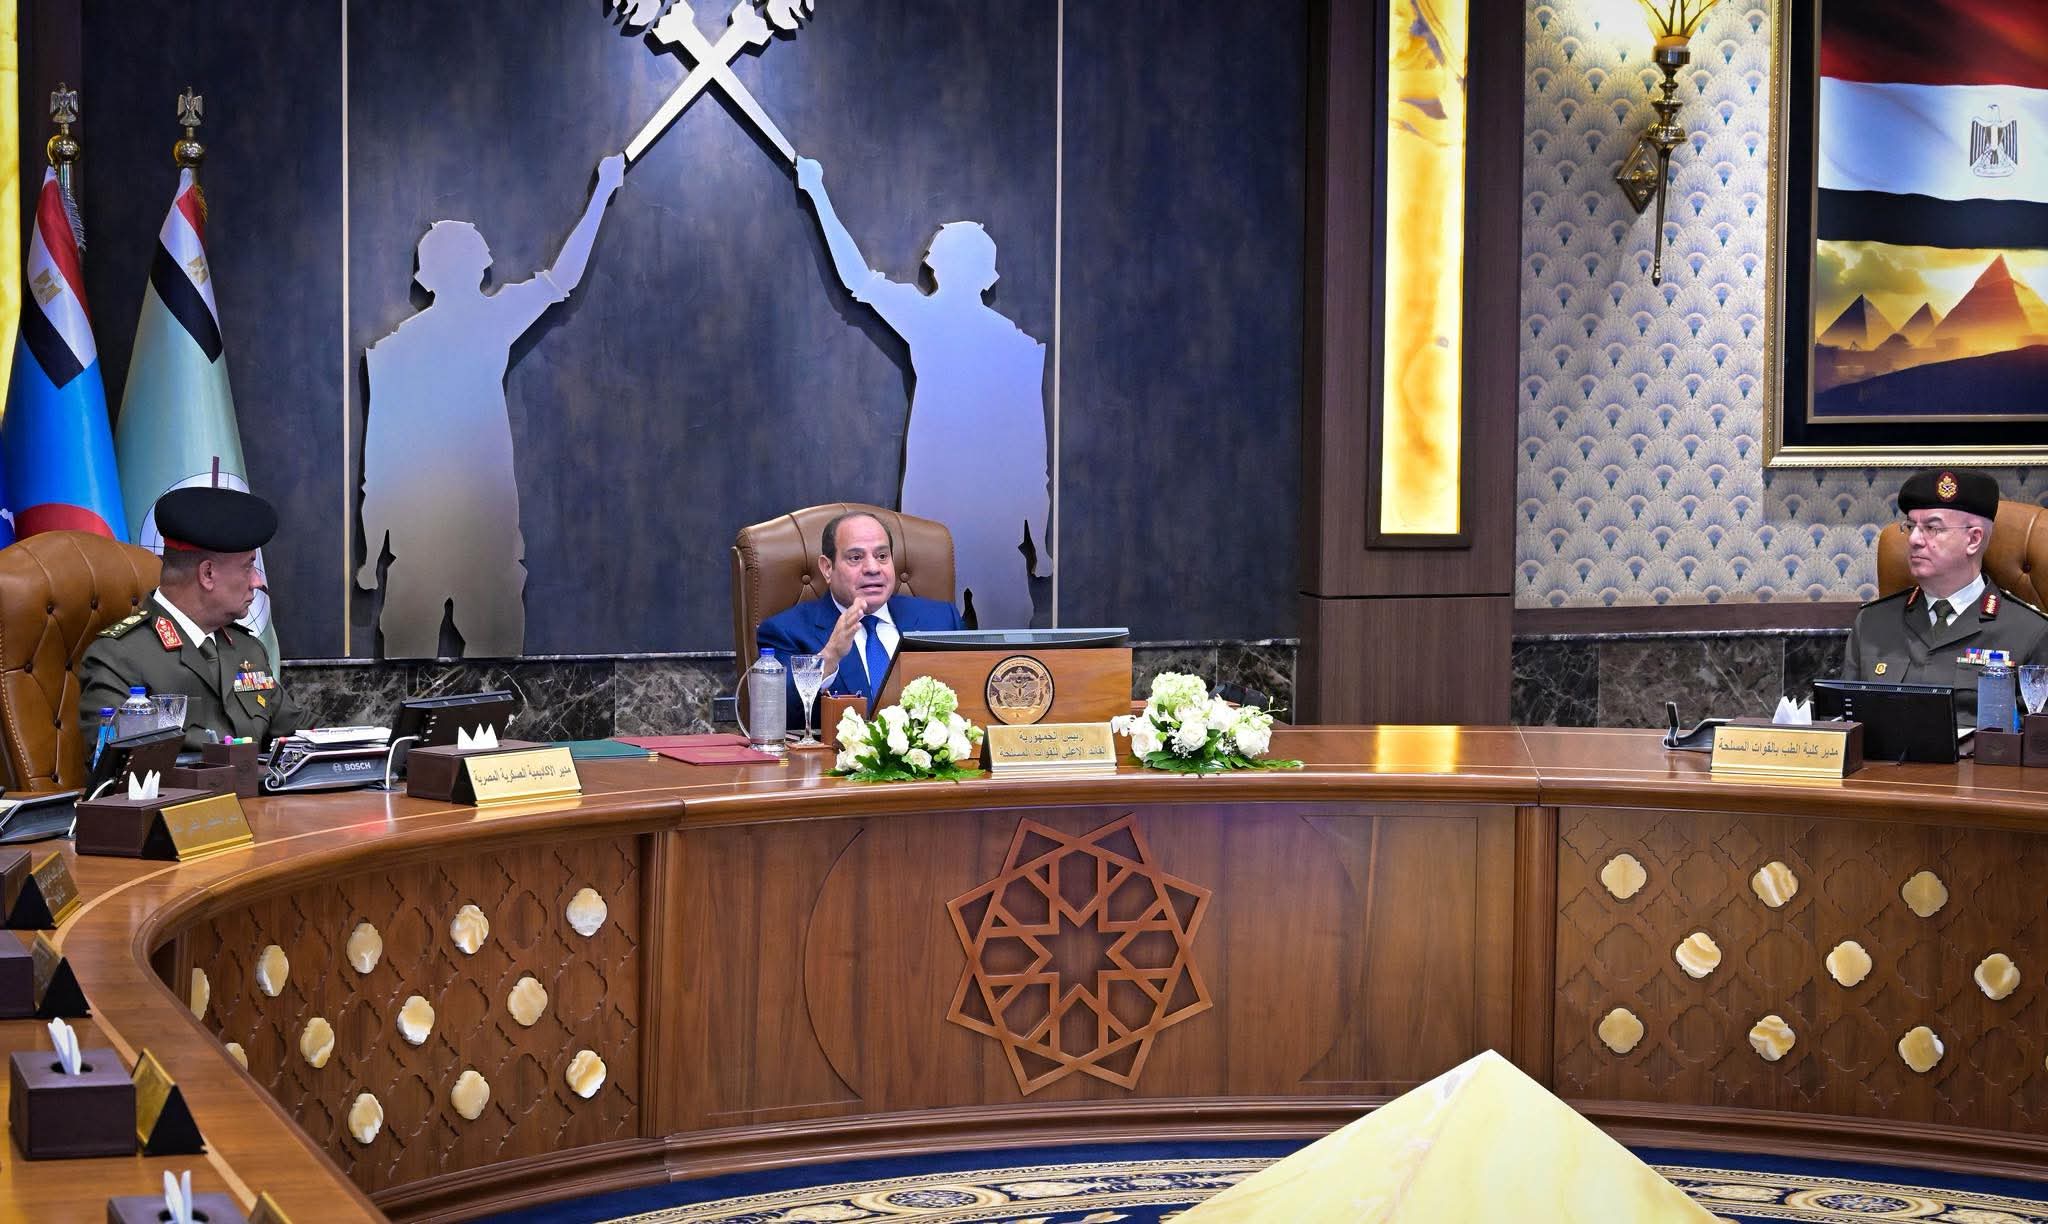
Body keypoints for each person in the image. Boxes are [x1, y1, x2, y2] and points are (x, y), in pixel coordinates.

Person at [358, 153, 625, 658]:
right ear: (478, 267)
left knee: (423, 682)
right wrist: (602, 193)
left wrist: (371, 557)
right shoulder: (486, 321)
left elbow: (380, 468)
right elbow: (562, 279)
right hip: (467, 543)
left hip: (441, 544)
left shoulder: (394, 351)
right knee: (493, 688)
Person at [794, 157, 1051, 631]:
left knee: (951, 649)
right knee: (986, 650)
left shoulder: (943, 323)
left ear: (941, 268)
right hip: (964, 520)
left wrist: (817, 191)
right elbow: (1032, 454)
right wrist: (1039, 539)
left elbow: (857, 279)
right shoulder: (1011, 343)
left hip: (953, 518)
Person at [77, 487, 303, 751]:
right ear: (207, 574)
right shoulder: (119, 657)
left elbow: (305, 732)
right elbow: (119, 761)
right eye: (248, 567)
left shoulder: (247, 649)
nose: (257, 582)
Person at [1842, 469, 2048, 730]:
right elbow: (1843, 723)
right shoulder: (1872, 623)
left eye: (1932, 528)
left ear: (1973, 539)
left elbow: (2037, 741)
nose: (1914, 539)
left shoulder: (2030, 632)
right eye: (1911, 526)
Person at [755, 510, 963, 726]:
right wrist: (830, 656)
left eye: (882, 556)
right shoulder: (786, 631)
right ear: (827, 568)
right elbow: (772, 716)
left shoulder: (941, 619)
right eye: (855, 558)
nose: (873, 568)